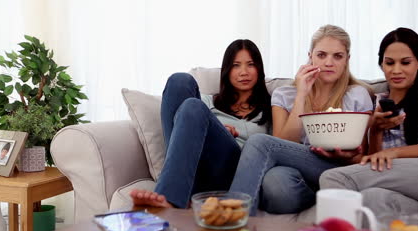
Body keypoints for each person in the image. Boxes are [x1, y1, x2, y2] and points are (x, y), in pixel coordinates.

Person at [228, 25, 374, 215]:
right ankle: (315, 197)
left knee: (258, 142)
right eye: (321, 55)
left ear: (347, 59)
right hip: (297, 171)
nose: (329, 62)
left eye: (337, 56)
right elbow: (282, 145)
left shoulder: (357, 95)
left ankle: (232, 216)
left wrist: (342, 155)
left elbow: (360, 157)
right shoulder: (284, 94)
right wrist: (301, 95)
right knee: (275, 181)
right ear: (310, 56)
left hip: (338, 168)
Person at [320, 28, 418, 217]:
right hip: (407, 190)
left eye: (405, 62)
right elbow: (376, 162)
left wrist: (395, 153)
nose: (396, 70)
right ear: (381, 65)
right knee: (371, 198)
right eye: (389, 63)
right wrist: (375, 130)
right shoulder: (376, 103)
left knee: (335, 177)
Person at [130, 39, 272, 208]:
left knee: (193, 106)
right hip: (195, 166)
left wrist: (222, 136)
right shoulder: (207, 102)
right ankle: (175, 188)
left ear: (259, 69)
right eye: (236, 65)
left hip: (233, 168)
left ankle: (168, 198)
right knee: (180, 81)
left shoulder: (270, 108)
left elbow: (273, 148)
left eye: (250, 64)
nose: (243, 72)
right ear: (227, 70)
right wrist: (211, 127)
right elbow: (189, 122)